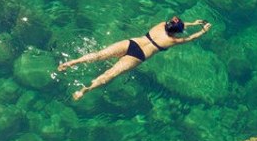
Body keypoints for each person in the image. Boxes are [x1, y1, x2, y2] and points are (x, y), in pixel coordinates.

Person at [57, 16, 212, 100]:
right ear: (177, 32)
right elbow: (191, 38)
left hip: (132, 43)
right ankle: (84, 91)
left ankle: (71, 63)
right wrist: (203, 30)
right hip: (138, 56)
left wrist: (192, 22)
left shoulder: (160, 25)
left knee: (99, 55)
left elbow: (178, 24)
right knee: (110, 74)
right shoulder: (173, 40)